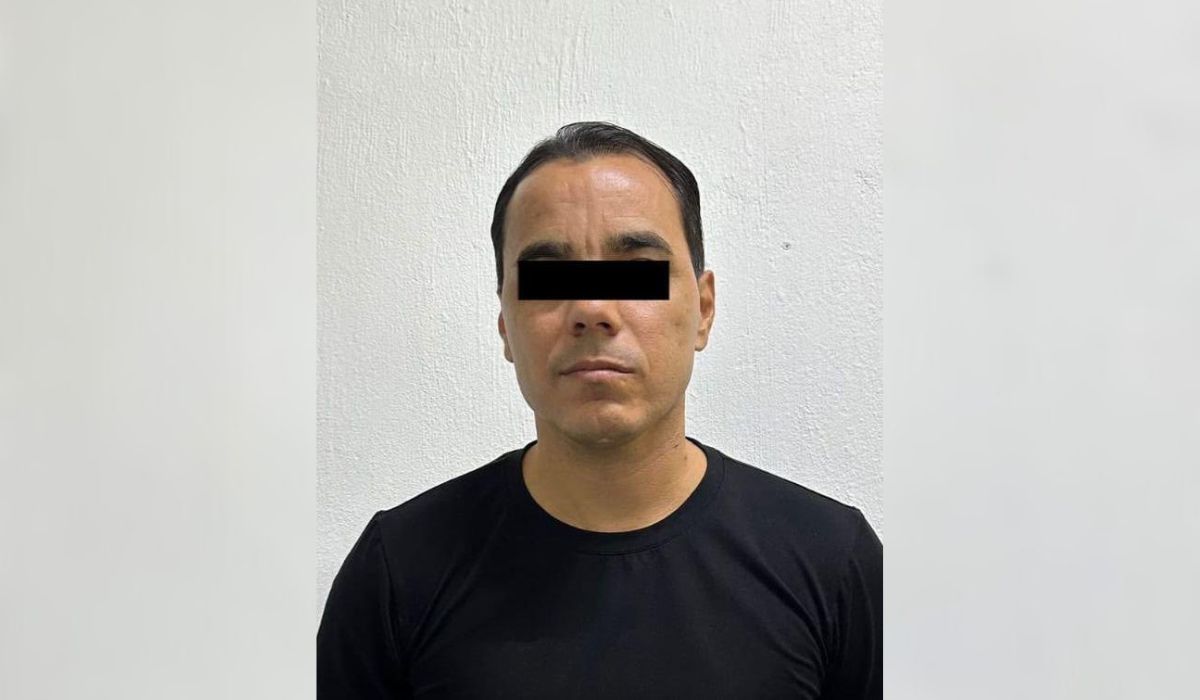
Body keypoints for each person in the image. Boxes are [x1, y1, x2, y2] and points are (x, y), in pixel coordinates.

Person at [317, 121, 882, 698]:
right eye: (548, 278)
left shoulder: (833, 563)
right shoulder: (398, 571)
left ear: (704, 309)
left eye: (636, 271)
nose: (591, 308)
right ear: (506, 325)